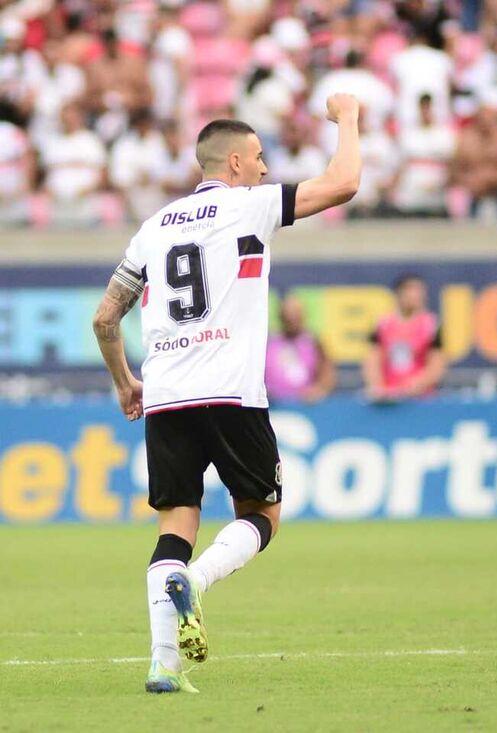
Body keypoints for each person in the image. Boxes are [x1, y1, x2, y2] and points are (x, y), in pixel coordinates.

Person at [90, 93, 362, 693]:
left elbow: (105, 319)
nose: (266, 168)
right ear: (234, 164)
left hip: (166, 397)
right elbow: (344, 183)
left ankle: (163, 664)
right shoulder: (250, 206)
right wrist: (347, 117)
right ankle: (201, 581)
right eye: (260, 157)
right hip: (233, 395)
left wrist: (125, 382)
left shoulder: (153, 228)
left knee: (173, 527)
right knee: (262, 516)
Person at [362, 274, 447, 401]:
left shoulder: (431, 325)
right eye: (410, 290)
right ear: (399, 294)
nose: (415, 295)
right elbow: (372, 359)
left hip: (421, 397)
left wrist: (415, 385)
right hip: (389, 396)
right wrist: (377, 387)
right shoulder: (383, 324)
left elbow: (437, 364)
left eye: (419, 291)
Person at [265, 295, 336, 404]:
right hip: (273, 405)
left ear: (303, 316)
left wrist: (318, 390)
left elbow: (327, 374)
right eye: (288, 315)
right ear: (280, 316)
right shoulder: (269, 342)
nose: (292, 319)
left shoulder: (313, 342)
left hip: (306, 405)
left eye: (296, 314)